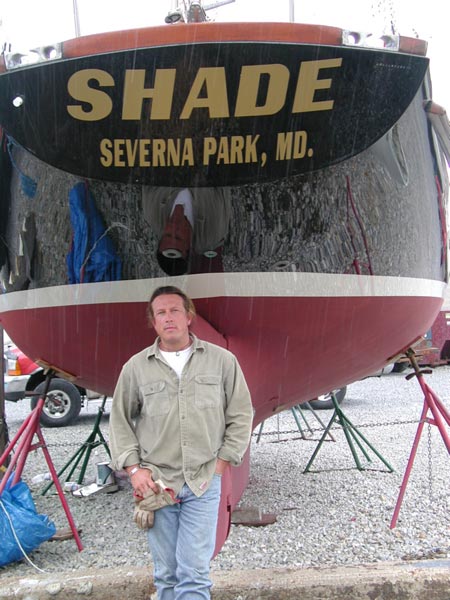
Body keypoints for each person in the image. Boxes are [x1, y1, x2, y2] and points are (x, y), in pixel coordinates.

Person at [109, 285, 253, 600]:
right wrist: (134, 470)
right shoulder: (135, 368)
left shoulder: (222, 362)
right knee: (167, 575)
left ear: (189, 317)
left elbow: (241, 413)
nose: (169, 317)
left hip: (203, 481)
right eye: (161, 312)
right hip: (157, 483)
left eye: (175, 310)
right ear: (153, 321)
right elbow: (120, 420)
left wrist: (223, 461)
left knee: (195, 575)